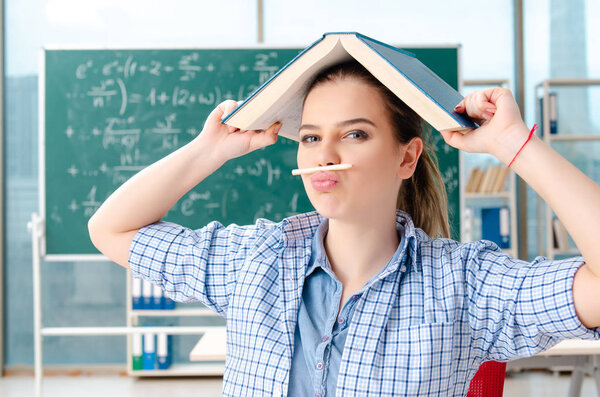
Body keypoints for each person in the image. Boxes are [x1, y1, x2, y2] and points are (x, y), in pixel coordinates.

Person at [88, 60, 600, 396]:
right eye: (310, 137)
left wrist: (515, 145)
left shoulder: (463, 285)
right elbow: (111, 229)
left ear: (407, 157)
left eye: (354, 133)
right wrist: (211, 149)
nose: (325, 155)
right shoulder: (255, 260)